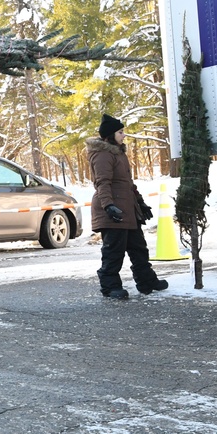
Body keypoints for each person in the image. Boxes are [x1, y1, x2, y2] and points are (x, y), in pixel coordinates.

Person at [86, 114, 169, 300]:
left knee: (139, 248)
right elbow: (102, 183)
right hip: (113, 210)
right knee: (113, 252)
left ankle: (147, 281)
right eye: (120, 132)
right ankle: (110, 287)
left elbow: (127, 184)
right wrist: (108, 206)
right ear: (110, 135)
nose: (124, 135)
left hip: (128, 210)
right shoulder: (102, 155)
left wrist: (140, 203)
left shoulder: (117, 153)